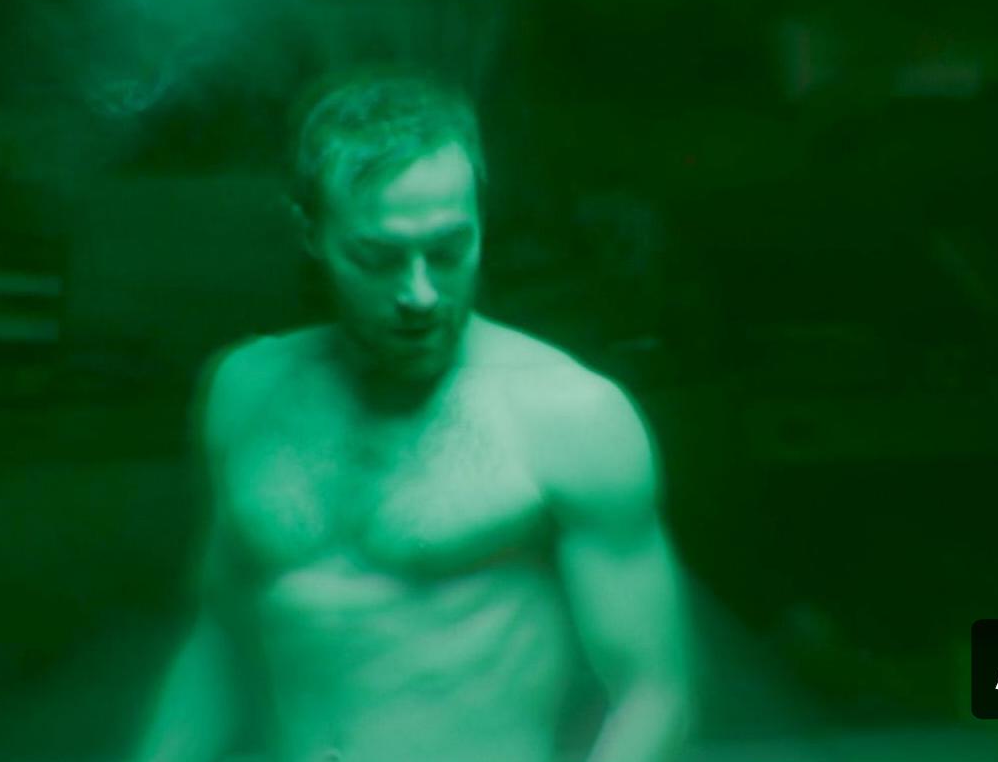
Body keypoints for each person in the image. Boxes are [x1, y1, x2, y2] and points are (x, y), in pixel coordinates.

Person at [136, 71, 694, 762]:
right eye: (377, 257)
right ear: (311, 232)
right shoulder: (243, 391)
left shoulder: (570, 414)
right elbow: (221, 635)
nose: (420, 293)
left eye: (449, 250)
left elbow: (652, 693)